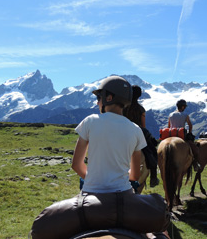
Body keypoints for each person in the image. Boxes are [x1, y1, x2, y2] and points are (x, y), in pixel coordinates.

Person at [71, 76, 170, 238]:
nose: (97, 102)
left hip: (90, 196)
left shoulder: (89, 122)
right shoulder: (136, 129)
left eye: (99, 98)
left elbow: (76, 165)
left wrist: (92, 180)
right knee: (161, 232)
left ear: (109, 98)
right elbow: (135, 176)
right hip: (124, 197)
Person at [123, 85, 159, 188]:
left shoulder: (124, 107)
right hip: (138, 132)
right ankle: (153, 176)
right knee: (151, 152)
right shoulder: (141, 109)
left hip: (123, 131)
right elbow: (143, 126)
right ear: (139, 96)